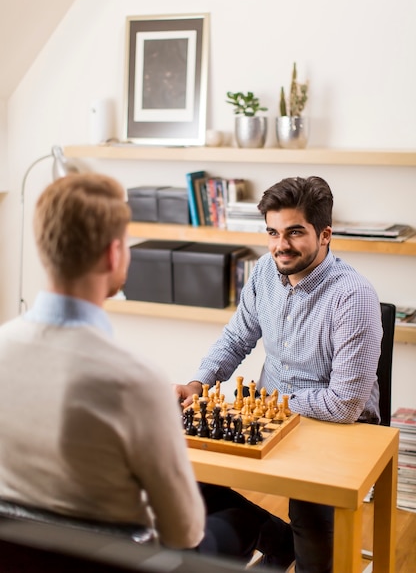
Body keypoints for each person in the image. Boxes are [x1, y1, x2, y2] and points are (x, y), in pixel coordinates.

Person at [0, 172, 281, 563]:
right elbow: (183, 530)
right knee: (241, 521)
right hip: (124, 562)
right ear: (115, 255)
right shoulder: (135, 382)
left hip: (20, 558)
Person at [175, 175, 383, 573]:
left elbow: (344, 405)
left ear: (325, 235)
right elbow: (236, 338)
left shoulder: (353, 296)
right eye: (272, 232)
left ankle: (296, 542)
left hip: (338, 430)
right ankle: (276, 537)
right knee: (184, 473)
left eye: (294, 232)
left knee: (316, 552)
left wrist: (263, 406)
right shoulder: (264, 275)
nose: (279, 245)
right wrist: (198, 383)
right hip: (271, 420)